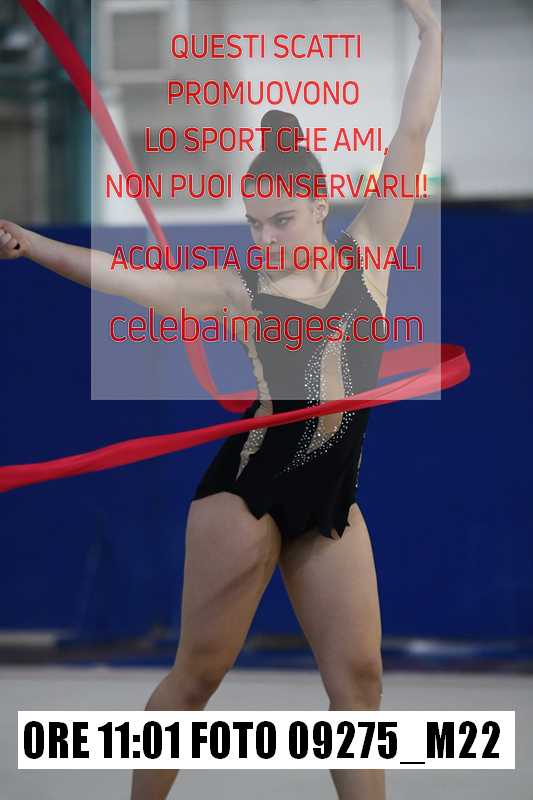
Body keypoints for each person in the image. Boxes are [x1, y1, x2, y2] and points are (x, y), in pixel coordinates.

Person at [0, 1, 441, 796]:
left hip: (332, 495)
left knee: (360, 687)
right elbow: (123, 279)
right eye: (253, 224)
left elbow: (410, 135)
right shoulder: (238, 290)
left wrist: (432, 33)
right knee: (197, 680)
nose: (264, 240)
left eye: (280, 221)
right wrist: (28, 243)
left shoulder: (369, 254)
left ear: (320, 205)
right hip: (247, 490)